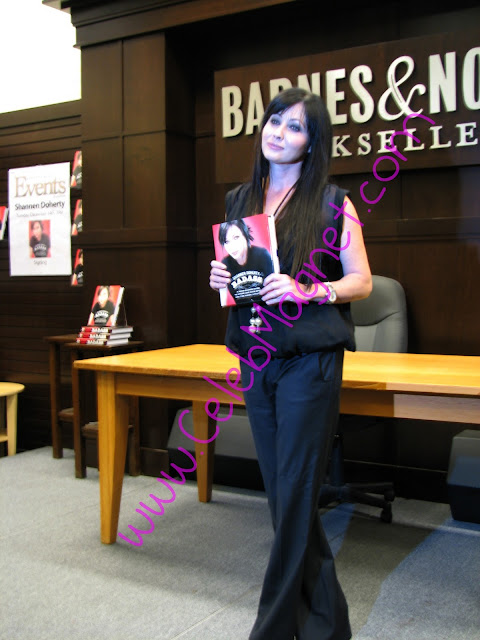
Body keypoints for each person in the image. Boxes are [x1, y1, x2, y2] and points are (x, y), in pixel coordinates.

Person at [209, 87, 372, 640]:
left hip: (310, 361)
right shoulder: (240, 201)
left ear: (312, 142)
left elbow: (362, 281)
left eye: (296, 126)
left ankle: (273, 629)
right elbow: (240, 280)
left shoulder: (332, 203)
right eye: (275, 120)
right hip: (256, 356)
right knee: (285, 495)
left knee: (296, 488)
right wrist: (221, 279)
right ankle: (328, 626)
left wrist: (310, 290)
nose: (279, 132)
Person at [218, 218, 274, 304]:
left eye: (236, 237)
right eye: (226, 241)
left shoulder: (262, 255)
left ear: (245, 234)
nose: (232, 246)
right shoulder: (225, 264)